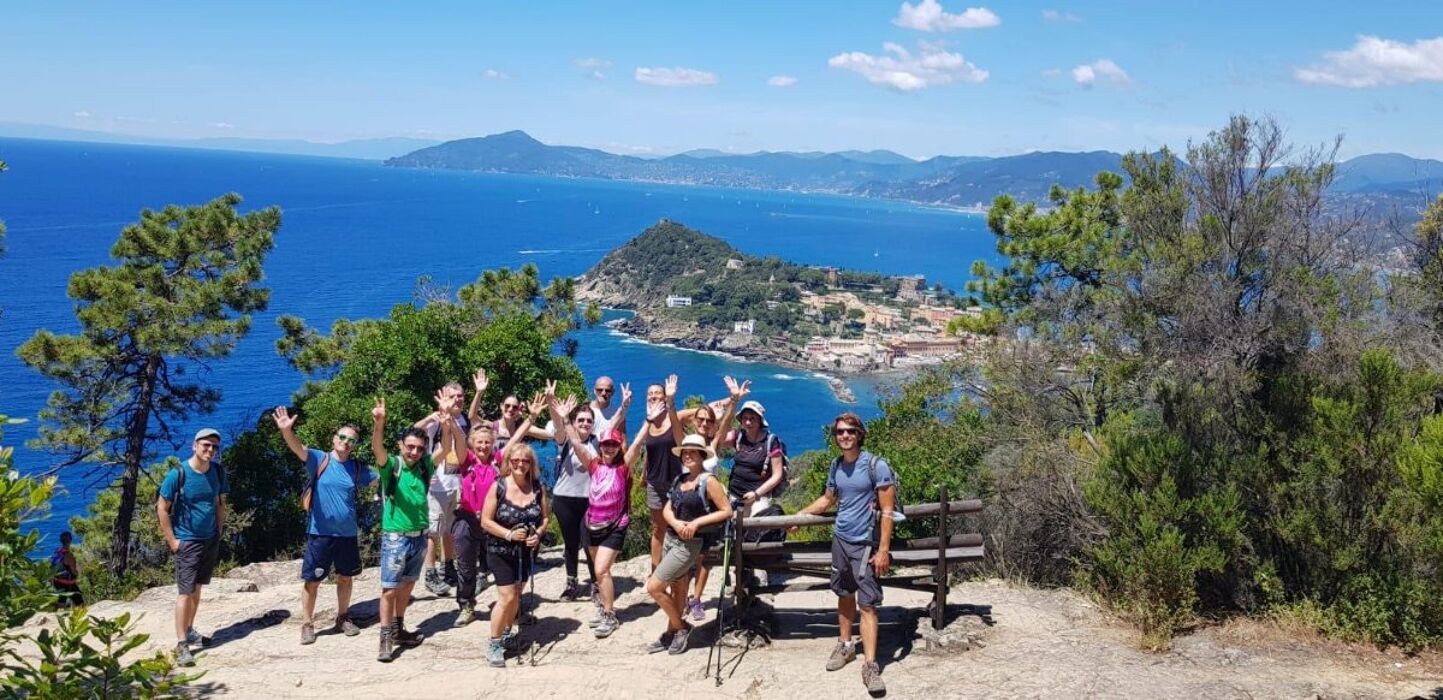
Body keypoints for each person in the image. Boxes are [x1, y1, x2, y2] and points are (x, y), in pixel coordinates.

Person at [789, 413, 896, 695]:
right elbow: (828, 499)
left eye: (849, 431)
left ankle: (871, 665)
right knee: (844, 595)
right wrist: (801, 514)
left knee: (868, 604)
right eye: (839, 432)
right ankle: (846, 644)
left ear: (859, 434)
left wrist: (883, 549)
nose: (844, 436)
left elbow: (887, 511)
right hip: (841, 540)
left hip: (865, 545)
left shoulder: (876, 465)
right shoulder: (836, 464)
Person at [272, 407, 376, 645]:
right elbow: (298, 448)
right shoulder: (320, 459)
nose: (346, 442)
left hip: (347, 534)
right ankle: (308, 624)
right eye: (342, 437)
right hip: (320, 534)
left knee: (345, 578)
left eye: (351, 440)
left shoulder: (357, 468)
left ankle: (343, 617)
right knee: (313, 580)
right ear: (334, 439)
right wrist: (287, 431)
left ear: (355, 445)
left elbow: (382, 479)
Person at [371, 397, 457, 663]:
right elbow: (377, 449)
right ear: (401, 446)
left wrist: (445, 425)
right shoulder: (392, 467)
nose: (415, 452)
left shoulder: (424, 466)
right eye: (410, 447)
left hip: (420, 535)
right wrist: (379, 424)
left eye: (419, 448)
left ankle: (398, 627)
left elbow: (446, 448)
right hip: (395, 537)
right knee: (389, 588)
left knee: (407, 585)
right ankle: (385, 636)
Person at [644, 432, 732, 655]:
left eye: (693, 452)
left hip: (689, 544)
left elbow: (726, 511)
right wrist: (673, 520)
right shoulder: (680, 480)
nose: (688, 456)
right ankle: (672, 632)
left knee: (654, 587)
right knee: (678, 588)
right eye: (685, 452)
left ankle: (682, 628)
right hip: (671, 538)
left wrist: (696, 523)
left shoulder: (709, 481)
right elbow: (667, 507)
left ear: (702, 455)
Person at [481, 394, 550, 668]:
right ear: (509, 462)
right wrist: (509, 534)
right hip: (500, 548)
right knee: (507, 596)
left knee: (517, 594)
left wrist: (538, 534)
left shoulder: (537, 488)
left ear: (530, 463)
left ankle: (508, 633)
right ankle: (494, 642)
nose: (520, 464)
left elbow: (545, 517)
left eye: (525, 461)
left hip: (526, 550)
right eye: (516, 461)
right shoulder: (498, 486)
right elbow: (485, 521)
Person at [563, 423, 647, 638]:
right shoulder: (593, 464)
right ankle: (604, 610)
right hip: (591, 525)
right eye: (605, 444)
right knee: (598, 573)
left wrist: (648, 421)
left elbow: (637, 443)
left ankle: (610, 615)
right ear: (600, 446)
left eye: (613, 445)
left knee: (601, 570)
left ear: (619, 447)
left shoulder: (624, 467)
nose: (609, 448)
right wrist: (565, 420)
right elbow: (575, 442)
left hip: (615, 526)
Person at [545, 382, 627, 602]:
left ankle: (595, 583)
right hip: (564, 499)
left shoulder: (598, 442)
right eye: (580, 420)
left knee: (591, 543)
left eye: (589, 421)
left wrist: (624, 406)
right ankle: (571, 583)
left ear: (593, 424)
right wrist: (554, 406)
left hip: (590, 502)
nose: (585, 423)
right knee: (571, 543)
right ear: (574, 422)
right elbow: (558, 424)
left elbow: (614, 422)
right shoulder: (564, 440)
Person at [677, 376, 749, 622]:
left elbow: (728, 420)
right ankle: (682, 597)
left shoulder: (714, 444)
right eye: (700, 419)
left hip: (710, 508)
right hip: (687, 506)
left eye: (709, 420)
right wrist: (670, 398)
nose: (705, 423)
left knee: (704, 557)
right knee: (686, 557)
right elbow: (674, 419)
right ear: (694, 421)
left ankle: (696, 600)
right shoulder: (684, 443)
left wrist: (734, 401)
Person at [157, 427, 229, 667]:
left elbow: (220, 503)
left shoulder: (217, 472)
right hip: (187, 541)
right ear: (195, 445)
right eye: (205, 445)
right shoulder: (178, 474)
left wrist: (218, 530)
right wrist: (173, 541)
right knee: (185, 592)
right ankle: (181, 644)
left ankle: (188, 630)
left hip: (209, 539)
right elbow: (162, 508)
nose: (210, 450)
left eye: (214, 447)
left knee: (197, 589)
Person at [414, 380, 471, 597]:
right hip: (436, 484)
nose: (457, 399)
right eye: (453, 396)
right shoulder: (435, 420)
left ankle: (448, 567)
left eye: (460, 396)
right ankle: (429, 573)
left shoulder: (463, 420)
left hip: (456, 482)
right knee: (432, 531)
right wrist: (432, 416)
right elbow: (412, 431)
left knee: (450, 528)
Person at [452, 424, 502, 626]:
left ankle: (507, 605)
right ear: (473, 443)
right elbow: (459, 441)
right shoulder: (467, 461)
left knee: (500, 564)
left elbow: (515, 439)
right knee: (465, 566)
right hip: (467, 520)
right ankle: (466, 606)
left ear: (493, 444)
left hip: (493, 521)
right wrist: (452, 424)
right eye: (479, 442)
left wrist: (531, 418)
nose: (483, 446)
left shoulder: (497, 462)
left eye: (487, 442)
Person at [725, 398, 787, 516]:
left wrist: (756, 494)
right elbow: (718, 439)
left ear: (760, 421)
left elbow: (777, 475)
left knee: (757, 530)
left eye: (752, 418)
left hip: (758, 498)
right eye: (745, 418)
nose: (748, 422)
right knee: (734, 533)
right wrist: (732, 401)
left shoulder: (771, 442)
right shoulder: (738, 436)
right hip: (734, 496)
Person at [50, 531, 83, 608]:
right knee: (80, 603)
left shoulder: (57, 551)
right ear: (70, 540)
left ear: (61, 541)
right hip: (68, 584)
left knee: (61, 602)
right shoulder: (68, 555)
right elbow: (74, 571)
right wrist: (77, 574)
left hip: (57, 581)